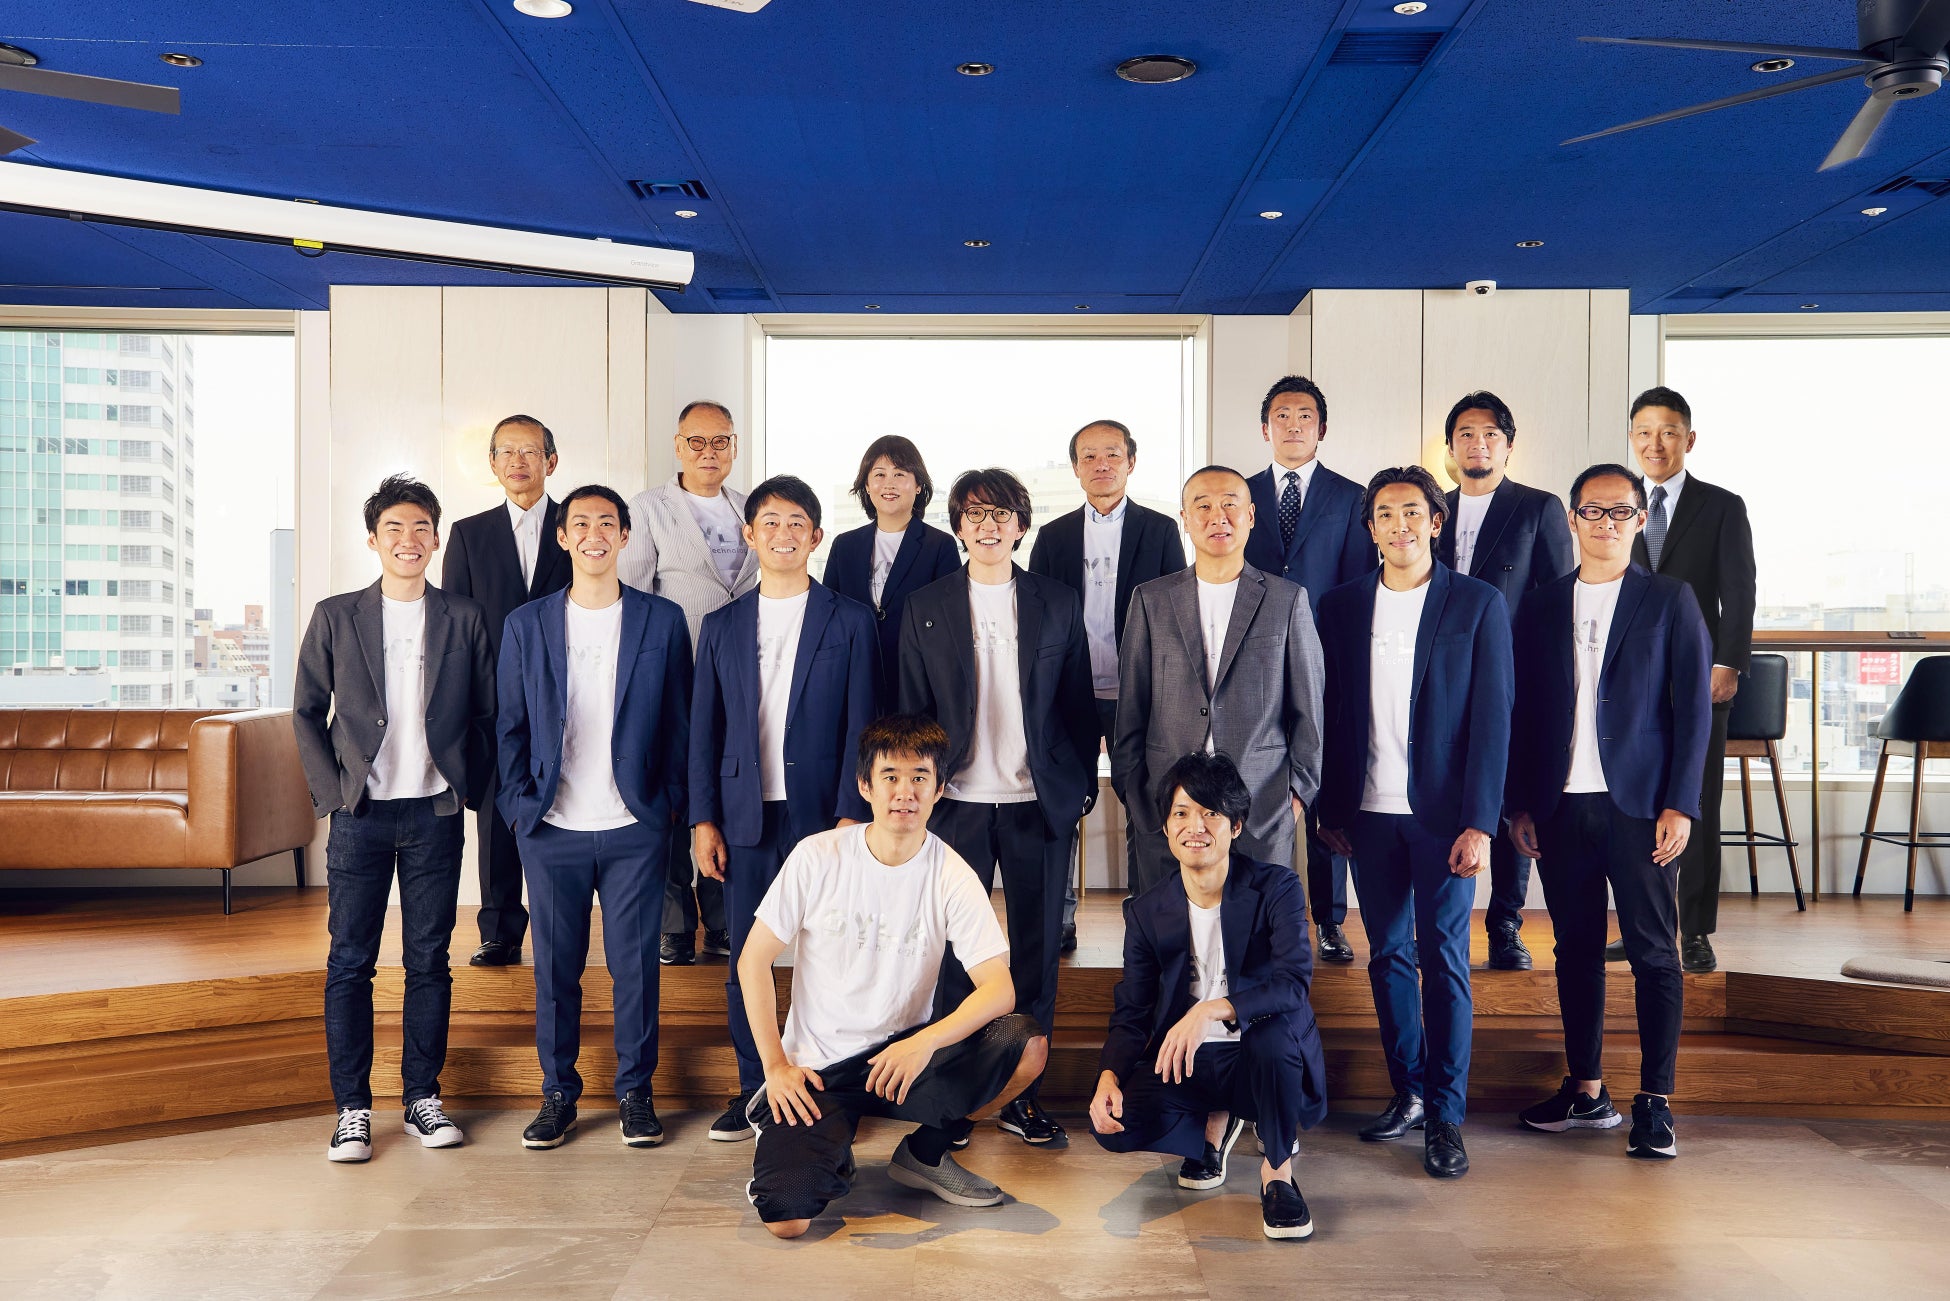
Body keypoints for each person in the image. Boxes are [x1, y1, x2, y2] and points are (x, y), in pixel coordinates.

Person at [737, 714, 1050, 1238]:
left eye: (920, 777)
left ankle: (924, 1155)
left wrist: (923, 1043)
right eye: (890, 777)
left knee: (1026, 1044)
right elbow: (753, 960)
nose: (905, 792)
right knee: (788, 1220)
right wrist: (775, 1066)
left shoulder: (951, 873)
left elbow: (1000, 989)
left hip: (900, 1060)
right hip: (819, 1068)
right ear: (866, 785)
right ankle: (807, 1141)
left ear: (939, 789)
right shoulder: (818, 856)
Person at [1506, 464, 1711, 1161]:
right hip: (1560, 805)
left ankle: (1655, 1101)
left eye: (1620, 511)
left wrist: (1681, 802)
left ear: (1639, 520)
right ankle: (1586, 1090)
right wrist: (1519, 803)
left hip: (1642, 806)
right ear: (1572, 520)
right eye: (1592, 511)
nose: (1606, 523)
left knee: (1654, 951)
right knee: (1574, 950)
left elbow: (1694, 711)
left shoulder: (1670, 599)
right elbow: (1524, 711)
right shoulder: (1540, 605)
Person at [1316, 466, 1513, 1180]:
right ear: (1369, 528)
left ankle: (1447, 1116)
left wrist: (1481, 822)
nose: (1398, 525)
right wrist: (1328, 805)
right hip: (1366, 814)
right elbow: (1330, 711)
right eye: (1384, 514)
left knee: (1445, 959)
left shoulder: (1477, 602)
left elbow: (1494, 718)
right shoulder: (1339, 605)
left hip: (1444, 818)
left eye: (1411, 512)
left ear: (1434, 521)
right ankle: (1410, 1092)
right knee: (1388, 955)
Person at [293, 475, 495, 1163]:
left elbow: (487, 713)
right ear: (373, 540)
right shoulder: (335, 615)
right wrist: (333, 796)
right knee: (350, 961)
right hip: (361, 816)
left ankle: (421, 1098)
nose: (408, 540)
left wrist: (471, 785)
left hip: (435, 812)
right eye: (394, 529)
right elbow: (306, 711)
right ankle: (352, 1109)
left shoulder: (464, 616)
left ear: (435, 539)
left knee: (428, 960)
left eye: (420, 529)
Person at [898, 467, 1098, 1148]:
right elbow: (910, 710)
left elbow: (1077, 704)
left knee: (1037, 956)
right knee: (956, 956)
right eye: (976, 515)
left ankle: (1022, 1096)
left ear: (1020, 525)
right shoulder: (926, 605)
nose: (989, 526)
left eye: (1002, 514)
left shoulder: (1056, 601)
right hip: (956, 802)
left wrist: (1078, 785)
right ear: (959, 526)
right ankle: (953, 1099)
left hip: (1035, 802)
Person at [497, 485, 693, 1151]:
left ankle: (636, 1092)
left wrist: (669, 805)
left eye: (606, 523)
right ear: (562, 537)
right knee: (556, 971)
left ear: (625, 536)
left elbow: (680, 721)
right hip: (552, 827)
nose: (593, 534)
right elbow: (509, 726)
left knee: (635, 967)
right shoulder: (527, 624)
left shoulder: (661, 620)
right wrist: (520, 808)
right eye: (579, 523)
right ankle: (558, 1092)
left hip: (635, 825)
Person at [689, 475, 878, 1144]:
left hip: (824, 817)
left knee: (833, 954)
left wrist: (853, 812)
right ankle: (757, 1088)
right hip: (744, 815)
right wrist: (703, 819)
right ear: (749, 534)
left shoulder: (850, 619)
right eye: (769, 522)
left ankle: (830, 1086)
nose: (783, 533)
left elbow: (864, 724)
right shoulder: (721, 625)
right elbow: (704, 730)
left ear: (816, 536)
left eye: (797, 522)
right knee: (747, 954)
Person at [1088, 751, 1328, 1241]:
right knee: (1115, 1124)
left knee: (1272, 1039)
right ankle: (1211, 1128)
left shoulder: (1276, 887)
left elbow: (1292, 984)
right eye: (1181, 813)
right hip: (1191, 1061)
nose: (1194, 827)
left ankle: (1278, 1173)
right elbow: (1132, 1011)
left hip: (1260, 1055)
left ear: (1235, 826)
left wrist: (1212, 1010)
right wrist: (1108, 1076)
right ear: (1166, 826)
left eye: (1210, 813)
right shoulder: (1147, 911)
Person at [1113, 466, 1325, 897]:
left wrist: (1295, 797)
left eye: (1230, 504)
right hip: (1168, 806)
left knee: (1255, 927)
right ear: (1185, 519)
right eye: (1203, 506)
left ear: (1251, 516)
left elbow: (1309, 712)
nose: (1218, 517)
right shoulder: (1151, 600)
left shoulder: (1287, 600)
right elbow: (1131, 710)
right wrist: (1138, 798)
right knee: (1171, 926)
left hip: (1261, 805)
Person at [1028, 419, 1187, 952]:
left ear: (1131, 462)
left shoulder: (1160, 530)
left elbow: (1175, 614)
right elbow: (1038, 618)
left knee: (1144, 802)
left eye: (1112, 454)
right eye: (1089, 456)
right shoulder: (1053, 536)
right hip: (1069, 692)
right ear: (1075, 468)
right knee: (1062, 803)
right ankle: (1060, 919)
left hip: (1139, 693)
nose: (1102, 465)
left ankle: (1147, 919)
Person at [1433, 391, 1575, 972]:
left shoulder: (1538, 508)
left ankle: (1506, 924)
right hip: (1441, 681)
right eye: (1466, 434)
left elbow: (1559, 600)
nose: (1478, 444)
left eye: (1490, 434)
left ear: (1509, 445)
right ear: (1450, 446)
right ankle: (1438, 924)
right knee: (1448, 794)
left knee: (1513, 801)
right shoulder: (1431, 508)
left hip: (1512, 678)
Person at [1622, 386, 1757, 975]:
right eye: (1645, 432)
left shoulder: (1722, 506)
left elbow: (1740, 592)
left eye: (1669, 432)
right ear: (1632, 438)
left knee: (1695, 803)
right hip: (1630, 684)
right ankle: (1642, 926)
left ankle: (1696, 930)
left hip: (1699, 680)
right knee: (1632, 807)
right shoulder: (1618, 504)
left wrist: (1728, 664)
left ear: (1689, 439)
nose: (1656, 444)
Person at [619, 400, 758, 967]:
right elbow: (633, 599)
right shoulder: (648, 509)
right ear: (678, 447)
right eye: (696, 441)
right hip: (674, 676)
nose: (709, 452)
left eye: (720, 440)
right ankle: (673, 922)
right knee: (675, 797)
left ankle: (722, 917)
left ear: (734, 446)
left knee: (726, 791)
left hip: (739, 678)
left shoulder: (752, 507)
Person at [1242, 377, 1373, 964]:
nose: (1293, 425)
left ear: (1322, 428)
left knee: (1322, 791)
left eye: (1304, 416)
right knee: (1251, 788)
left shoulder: (1352, 498)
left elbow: (1356, 588)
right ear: (1265, 427)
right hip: (1254, 663)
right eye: (1282, 415)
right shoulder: (1240, 494)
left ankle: (1330, 919)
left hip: (1325, 663)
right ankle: (1252, 915)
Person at [442, 414, 574, 968]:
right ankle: (499, 929)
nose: (518, 461)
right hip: (494, 700)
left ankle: (559, 926)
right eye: (506, 452)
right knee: (497, 814)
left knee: (564, 805)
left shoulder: (579, 524)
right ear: (493, 463)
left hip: (567, 693)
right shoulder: (469, 534)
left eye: (530, 451)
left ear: (551, 461)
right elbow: (453, 626)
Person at [821, 434, 961, 695]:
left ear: (918, 485)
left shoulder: (939, 545)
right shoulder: (845, 545)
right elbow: (829, 615)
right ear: (866, 485)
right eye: (879, 474)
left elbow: (950, 626)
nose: (889, 484)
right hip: (853, 678)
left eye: (899, 474)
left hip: (916, 680)